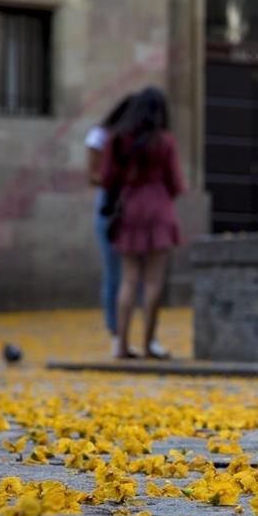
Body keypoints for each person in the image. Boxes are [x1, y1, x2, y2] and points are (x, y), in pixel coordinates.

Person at [101, 87, 183, 359]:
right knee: (153, 281)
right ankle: (149, 342)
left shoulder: (119, 140)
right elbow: (175, 182)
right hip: (159, 206)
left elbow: (108, 178)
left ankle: (121, 343)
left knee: (128, 279)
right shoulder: (165, 141)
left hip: (131, 206)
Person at [86, 94, 136, 355]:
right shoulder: (101, 136)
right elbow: (92, 175)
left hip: (131, 203)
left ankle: (125, 331)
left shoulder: (132, 138)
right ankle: (115, 329)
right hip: (111, 201)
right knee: (114, 272)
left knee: (130, 273)